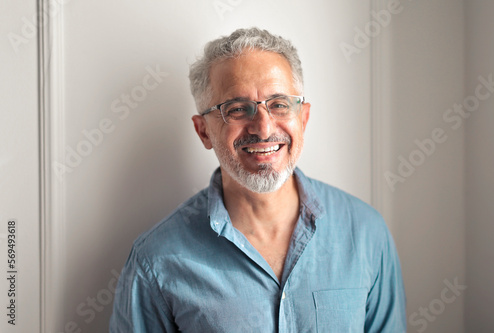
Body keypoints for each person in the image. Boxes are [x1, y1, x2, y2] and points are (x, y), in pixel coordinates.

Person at [109, 27, 406, 332]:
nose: (263, 129)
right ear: (203, 132)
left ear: (303, 119)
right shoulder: (156, 260)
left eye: (279, 104)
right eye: (237, 109)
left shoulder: (366, 234)